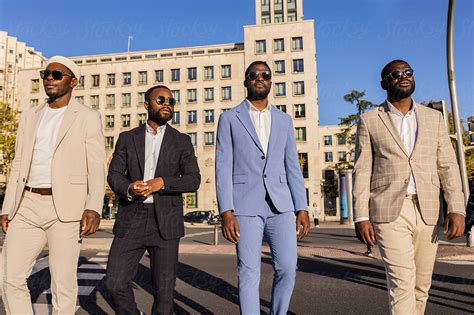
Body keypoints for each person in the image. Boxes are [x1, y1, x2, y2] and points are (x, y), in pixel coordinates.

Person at [353, 59, 465, 314]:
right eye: (395, 74)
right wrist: (361, 216)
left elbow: (447, 166)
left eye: (408, 72)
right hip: (389, 211)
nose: (403, 76)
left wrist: (456, 208)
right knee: (402, 283)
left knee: (421, 286)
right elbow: (362, 170)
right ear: (384, 83)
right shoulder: (369, 120)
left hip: (428, 210)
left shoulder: (434, 118)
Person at [0, 56, 106, 314]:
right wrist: (7, 207)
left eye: (57, 74)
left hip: (66, 209)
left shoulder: (88, 117)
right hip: (26, 205)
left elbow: (97, 166)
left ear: (73, 82)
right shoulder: (29, 116)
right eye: (46, 73)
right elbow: (19, 162)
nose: (49, 78)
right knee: (9, 277)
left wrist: (93, 207)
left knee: (63, 285)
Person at [215, 61, 309, 314]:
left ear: (270, 81)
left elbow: (292, 166)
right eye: (253, 75)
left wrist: (302, 207)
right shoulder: (228, 118)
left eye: (265, 75)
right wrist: (227, 211)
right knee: (248, 270)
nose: (259, 78)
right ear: (245, 81)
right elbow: (223, 167)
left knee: (288, 267)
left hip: (281, 204)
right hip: (244, 205)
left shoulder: (284, 120)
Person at [106, 85, 200, 315]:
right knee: (115, 282)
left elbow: (193, 179)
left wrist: (163, 183)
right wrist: (129, 187)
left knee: (164, 292)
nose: (167, 103)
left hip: (166, 220)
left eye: (171, 100)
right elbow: (114, 174)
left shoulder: (182, 141)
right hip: (132, 216)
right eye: (161, 99)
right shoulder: (127, 138)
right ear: (147, 105)